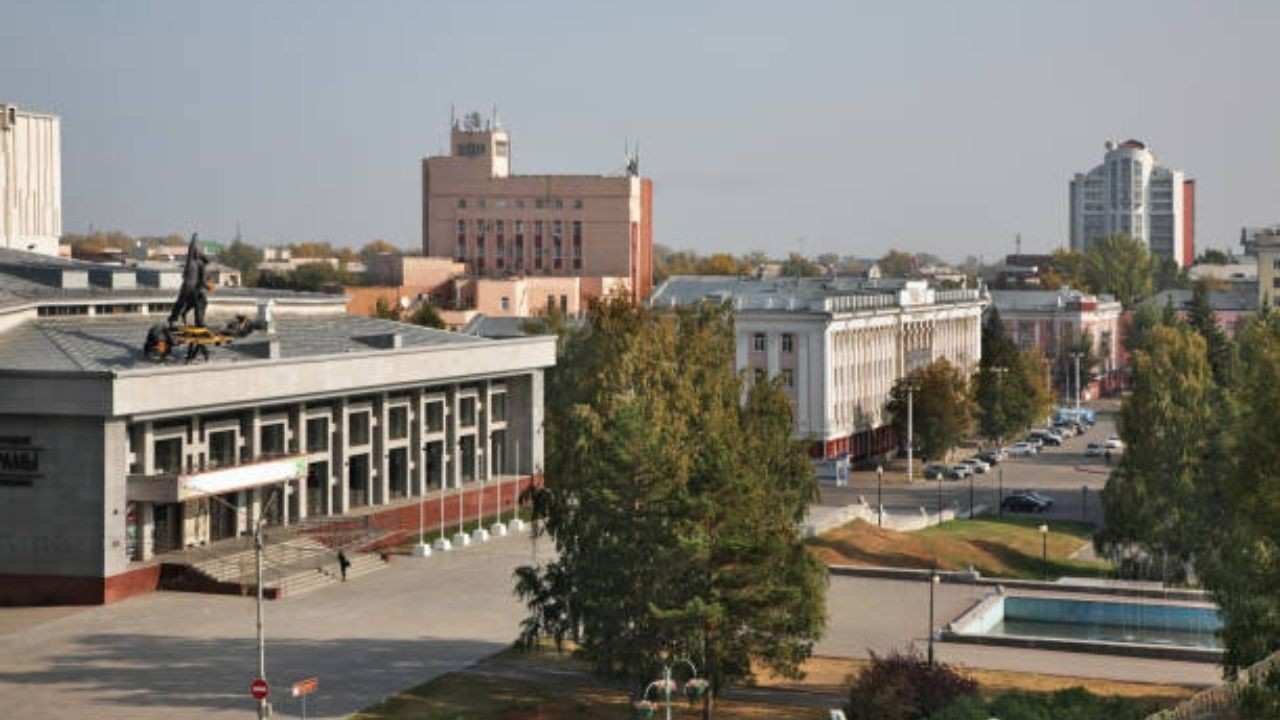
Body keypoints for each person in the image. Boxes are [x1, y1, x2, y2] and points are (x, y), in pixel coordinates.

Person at [167, 233, 210, 328]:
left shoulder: (193, 262)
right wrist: (208, 287)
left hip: (186, 286)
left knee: (182, 302)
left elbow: (191, 250)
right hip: (191, 287)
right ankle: (199, 322)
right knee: (202, 301)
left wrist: (194, 239)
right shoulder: (197, 264)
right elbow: (202, 282)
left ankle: (173, 319)